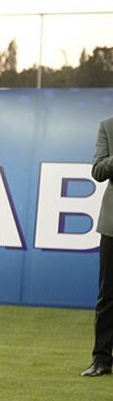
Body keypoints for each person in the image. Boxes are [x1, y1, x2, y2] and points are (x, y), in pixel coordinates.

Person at [86, 116, 113, 377]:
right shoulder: (107, 126)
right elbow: (97, 171)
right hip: (112, 227)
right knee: (107, 295)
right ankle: (102, 360)